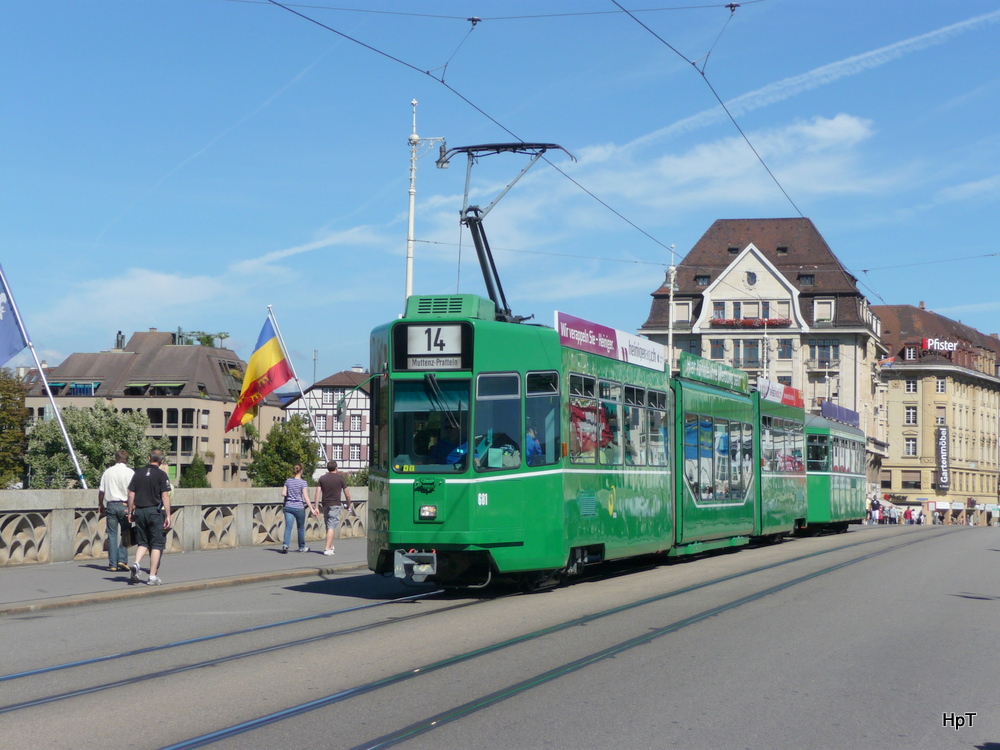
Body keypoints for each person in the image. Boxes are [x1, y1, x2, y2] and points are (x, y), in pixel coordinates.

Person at [126, 449, 172, 585]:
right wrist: (168, 515)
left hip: (140, 511)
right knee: (157, 544)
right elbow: (165, 496)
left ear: (149, 458)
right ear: (162, 461)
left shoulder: (138, 473)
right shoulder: (162, 475)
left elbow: (130, 495)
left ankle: (136, 564)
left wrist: (130, 512)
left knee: (142, 542)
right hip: (154, 512)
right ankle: (152, 577)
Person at [98, 449, 134, 572]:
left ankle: (112, 563)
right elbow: (132, 492)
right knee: (126, 533)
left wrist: (100, 504)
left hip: (111, 505)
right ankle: (122, 560)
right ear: (127, 460)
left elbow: (101, 491)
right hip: (125, 505)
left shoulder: (108, 472)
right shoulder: (130, 473)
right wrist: (132, 506)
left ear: (116, 458)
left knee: (112, 535)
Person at [313, 460, 353, 556]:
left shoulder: (322, 478)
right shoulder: (341, 478)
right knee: (331, 525)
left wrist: (316, 507)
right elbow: (347, 494)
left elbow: (317, 493)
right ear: (336, 468)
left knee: (328, 524)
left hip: (325, 504)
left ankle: (331, 546)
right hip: (335, 504)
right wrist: (349, 504)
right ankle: (327, 549)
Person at [281, 463, 317, 553]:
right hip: (299, 507)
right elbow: (306, 497)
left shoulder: (288, 481)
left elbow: (283, 493)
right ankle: (301, 547)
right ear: (301, 471)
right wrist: (312, 509)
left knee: (288, 527)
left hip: (288, 506)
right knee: (300, 528)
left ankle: (285, 545)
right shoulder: (303, 482)